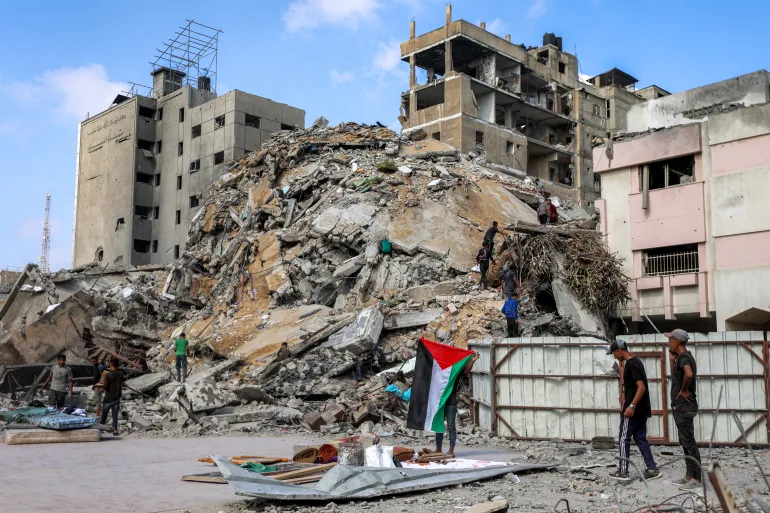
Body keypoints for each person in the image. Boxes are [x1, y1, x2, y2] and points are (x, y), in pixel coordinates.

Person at [607, 339, 661, 482]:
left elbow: (641, 387)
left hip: (633, 409)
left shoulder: (631, 364)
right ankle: (652, 469)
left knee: (623, 438)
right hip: (641, 409)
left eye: (613, 353)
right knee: (640, 438)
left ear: (619, 351)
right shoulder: (637, 362)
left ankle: (623, 471)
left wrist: (631, 406)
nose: (614, 356)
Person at [667, 329, 701, 490]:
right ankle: (689, 475)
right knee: (685, 442)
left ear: (677, 342)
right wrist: (671, 361)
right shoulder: (682, 357)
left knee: (689, 442)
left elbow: (688, 374)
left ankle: (697, 478)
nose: (669, 343)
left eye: (670, 340)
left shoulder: (684, 357)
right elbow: (678, 376)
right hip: (681, 406)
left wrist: (684, 390)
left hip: (683, 406)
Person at [435, 352, 479, 457]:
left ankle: (451, 450)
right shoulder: (439, 371)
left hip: (451, 403)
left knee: (451, 426)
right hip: (440, 403)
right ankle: (438, 449)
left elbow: (466, 371)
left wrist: (472, 360)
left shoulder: (455, 372)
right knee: (439, 426)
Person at [100, 358, 124, 436]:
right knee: (115, 414)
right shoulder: (120, 374)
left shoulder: (108, 374)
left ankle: (101, 428)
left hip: (108, 397)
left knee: (104, 414)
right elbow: (121, 383)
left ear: (111, 364)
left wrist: (102, 388)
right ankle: (115, 430)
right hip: (117, 396)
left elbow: (106, 386)